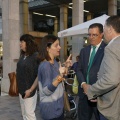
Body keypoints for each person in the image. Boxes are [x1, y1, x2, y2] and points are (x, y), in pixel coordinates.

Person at [84, 15, 120, 120]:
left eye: (104, 28)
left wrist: (92, 91)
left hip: (112, 108)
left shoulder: (111, 47)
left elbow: (111, 79)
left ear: (109, 29)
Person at [76, 23, 106, 120]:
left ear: (101, 34)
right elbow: (78, 69)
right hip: (84, 95)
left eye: (94, 35)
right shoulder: (84, 51)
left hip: (99, 96)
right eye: (89, 34)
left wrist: (95, 90)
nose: (91, 37)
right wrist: (84, 84)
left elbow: (107, 74)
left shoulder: (107, 50)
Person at [38, 34, 72, 120]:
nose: (60, 47)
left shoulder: (55, 62)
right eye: (56, 45)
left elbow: (62, 76)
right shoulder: (45, 66)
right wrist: (59, 76)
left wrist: (67, 66)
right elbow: (46, 91)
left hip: (58, 107)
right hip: (50, 110)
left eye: (59, 45)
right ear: (47, 48)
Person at [16, 34, 39, 120]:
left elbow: (38, 76)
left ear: (28, 43)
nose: (20, 44)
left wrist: (30, 90)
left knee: (29, 115)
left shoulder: (36, 56)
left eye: (22, 42)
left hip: (29, 91)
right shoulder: (23, 56)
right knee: (24, 114)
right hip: (21, 90)